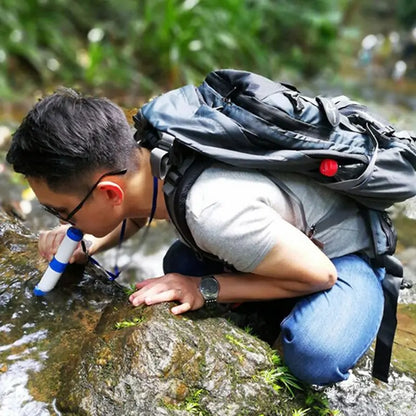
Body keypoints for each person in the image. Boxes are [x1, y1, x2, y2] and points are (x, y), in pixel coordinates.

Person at [6, 87, 385, 386]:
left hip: (342, 257)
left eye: (60, 210)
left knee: (314, 353)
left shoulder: (210, 211)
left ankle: (354, 304)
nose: (59, 220)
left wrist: (201, 287)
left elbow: (321, 274)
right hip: (282, 238)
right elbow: (136, 209)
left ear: (109, 192)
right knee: (179, 262)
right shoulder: (149, 149)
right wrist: (88, 243)